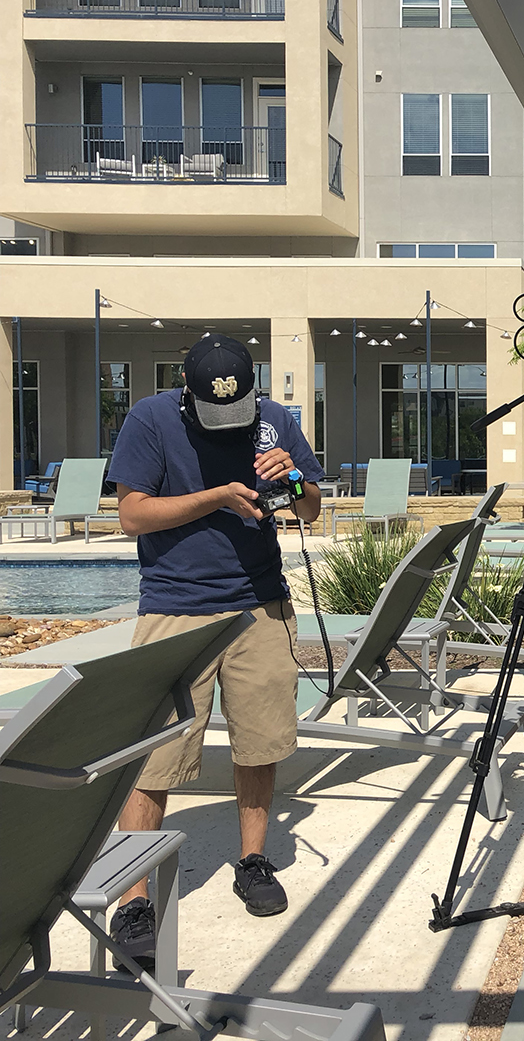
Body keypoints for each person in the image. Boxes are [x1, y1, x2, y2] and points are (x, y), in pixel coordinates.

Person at [106, 334, 324, 967]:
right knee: (152, 757)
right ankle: (133, 899)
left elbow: (311, 510)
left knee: (259, 741)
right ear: (186, 387)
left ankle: (252, 861)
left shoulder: (276, 419)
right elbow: (132, 515)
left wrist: (294, 482)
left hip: (260, 605)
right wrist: (217, 497)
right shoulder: (150, 418)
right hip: (175, 609)